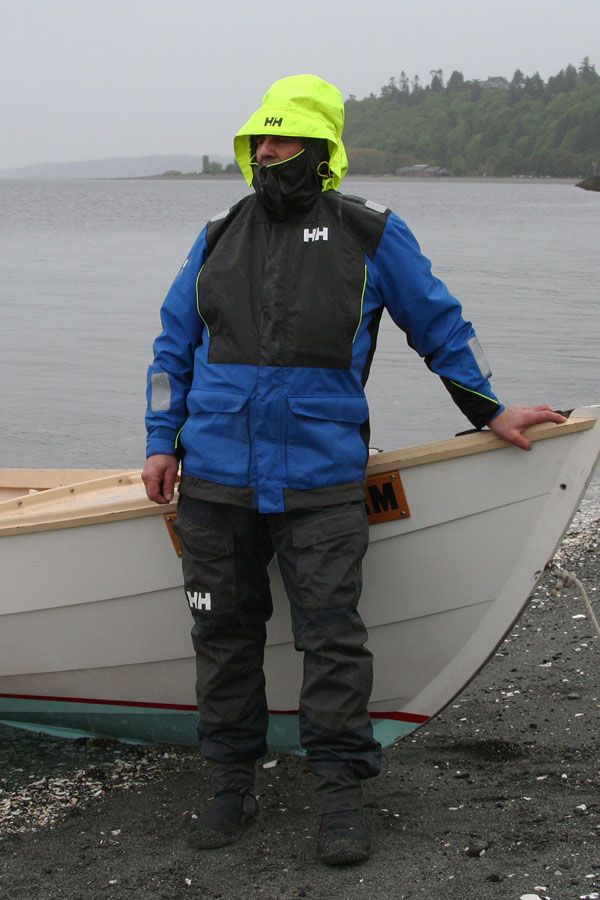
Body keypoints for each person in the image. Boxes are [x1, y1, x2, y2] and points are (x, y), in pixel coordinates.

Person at [142, 74, 565, 864]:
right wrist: (160, 440)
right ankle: (231, 783)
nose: (268, 153)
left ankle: (339, 795)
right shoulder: (216, 234)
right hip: (215, 485)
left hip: (322, 483)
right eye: (259, 141)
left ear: (320, 147)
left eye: (284, 140)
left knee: (333, 642)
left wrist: (490, 409)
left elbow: (438, 323)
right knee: (223, 638)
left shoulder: (371, 234)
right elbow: (172, 351)